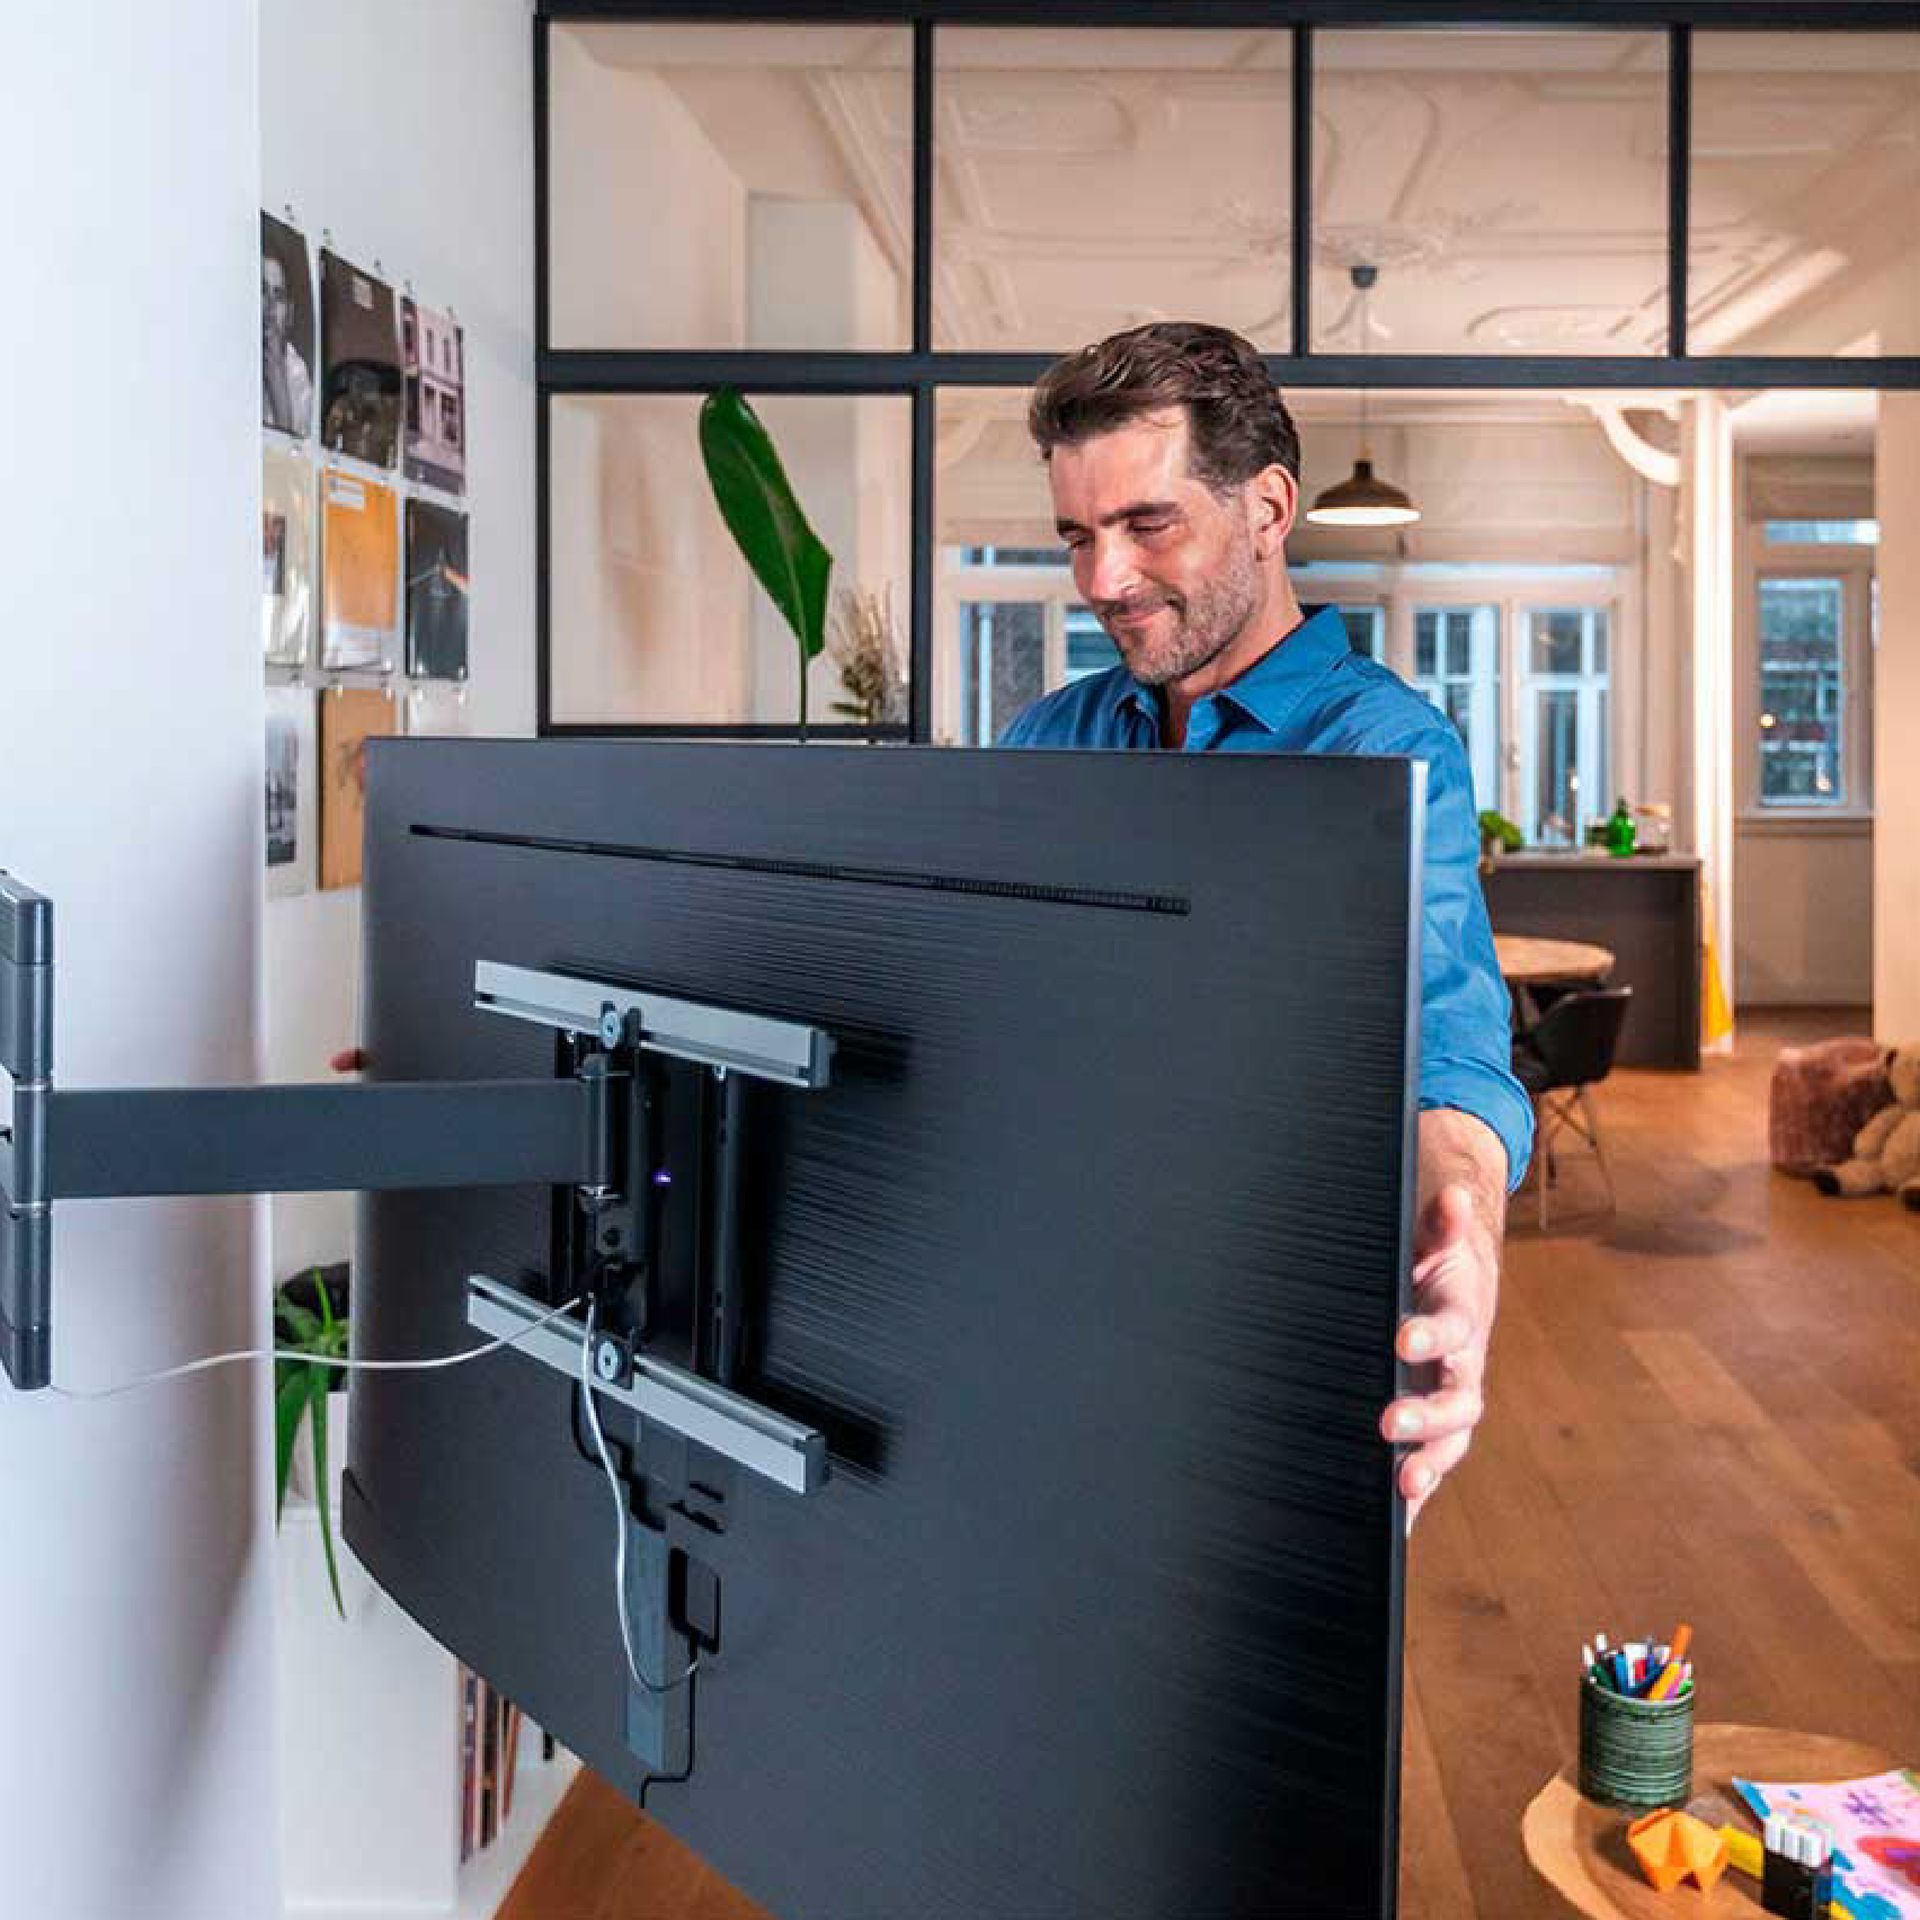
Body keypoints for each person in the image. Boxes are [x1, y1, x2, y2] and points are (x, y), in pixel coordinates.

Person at [1000, 320, 1533, 1528]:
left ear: (1269, 508)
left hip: (1275, 1328)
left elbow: (1446, 1036)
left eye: (1147, 525)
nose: (1100, 581)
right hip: (1059, 1314)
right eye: (1078, 537)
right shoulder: (1049, 742)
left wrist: (1465, 1229)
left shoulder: (1379, 749)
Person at [261, 248, 313, 435]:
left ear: (290, 314)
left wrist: (277, 377)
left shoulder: (296, 372)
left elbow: (291, 459)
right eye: (262, 291)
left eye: (278, 296)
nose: (270, 306)